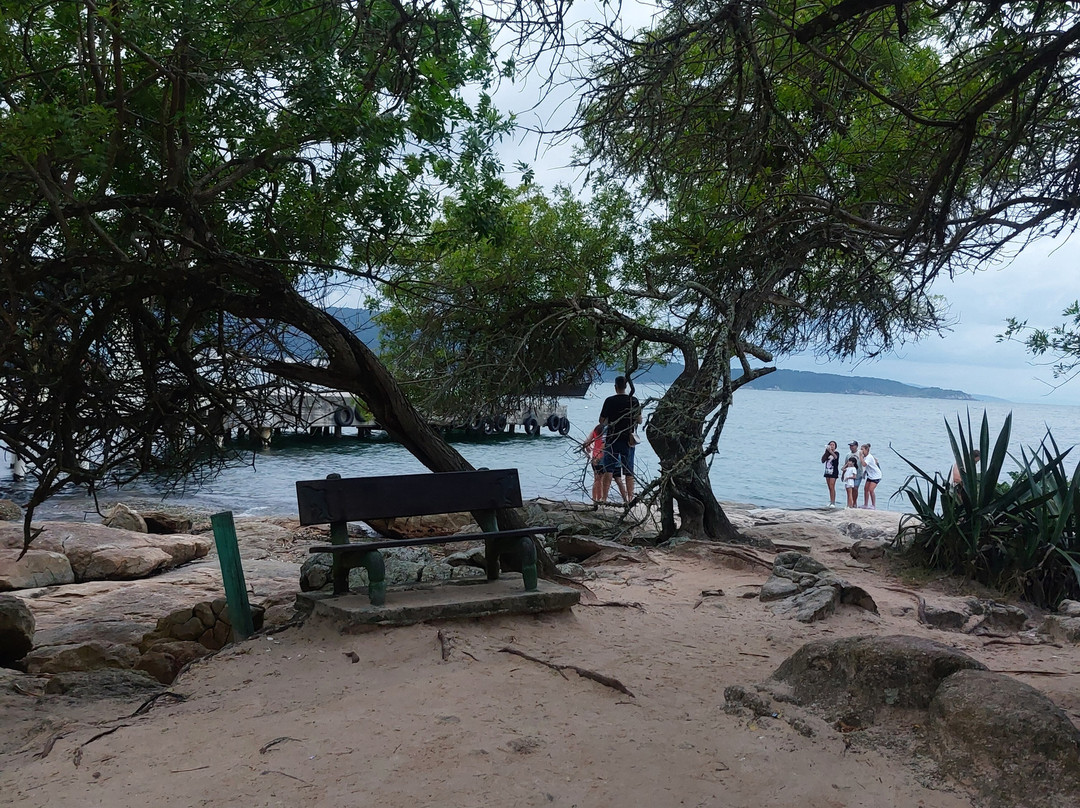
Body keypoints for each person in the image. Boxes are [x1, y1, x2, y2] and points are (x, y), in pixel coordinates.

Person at [598, 376, 641, 503]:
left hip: (612, 438)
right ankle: (629, 499)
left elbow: (601, 421)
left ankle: (604, 498)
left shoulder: (609, 401)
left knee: (609, 469)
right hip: (628, 439)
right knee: (629, 471)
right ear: (626, 386)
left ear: (615, 387)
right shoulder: (633, 400)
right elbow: (639, 420)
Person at [580, 423, 606, 505]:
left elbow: (585, 442)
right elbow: (604, 445)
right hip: (603, 457)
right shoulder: (606, 430)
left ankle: (594, 499)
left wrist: (588, 452)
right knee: (602, 480)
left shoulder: (596, 429)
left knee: (596, 480)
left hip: (594, 457)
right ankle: (600, 499)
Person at [860, 443, 883, 509]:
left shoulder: (869, 457)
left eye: (862, 449)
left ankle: (873, 505)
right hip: (870, 475)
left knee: (871, 490)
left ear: (867, 450)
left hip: (876, 475)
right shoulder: (866, 457)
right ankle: (865, 504)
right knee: (865, 489)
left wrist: (861, 456)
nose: (861, 451)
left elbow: (864, 464)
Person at [821, 441, 840, 507]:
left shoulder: (836, 453)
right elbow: (822, 460)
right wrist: (826, 452)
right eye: (830, 445)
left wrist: (831, 451)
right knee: (829, 487)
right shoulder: (827, 453)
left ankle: (833, 502)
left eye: (833, 445)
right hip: (827, 471)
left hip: (833, 472)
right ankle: (830, 500)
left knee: (832, 486)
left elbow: (835, 457)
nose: (831, 446)